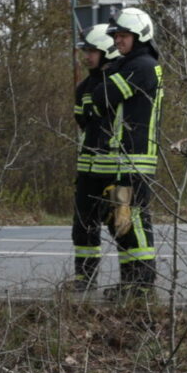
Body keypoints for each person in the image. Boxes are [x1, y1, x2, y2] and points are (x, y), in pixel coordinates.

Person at [70, 6, 163, 300]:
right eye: (117, 36)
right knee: (121, 223)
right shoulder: (127, 65)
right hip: (122, 160)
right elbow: (97, 101)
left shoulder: (143, 66)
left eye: (123, 36)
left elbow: (102, 97)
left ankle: (141, 284)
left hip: (134, 159)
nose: (118, 41)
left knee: (132, 221)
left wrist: (103, 92)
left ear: (140, 36)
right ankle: (130, 284)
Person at [64, 22, 116, 291]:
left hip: (115, 169)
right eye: (86, 51)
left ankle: (132, 280)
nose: (87, 57)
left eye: (92, 51)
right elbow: (82, 122)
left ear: (107, 52)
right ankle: (85, 278)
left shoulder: (118, 81)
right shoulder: (84, 87)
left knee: (124, 226)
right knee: (83, 226)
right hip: (88, 169)